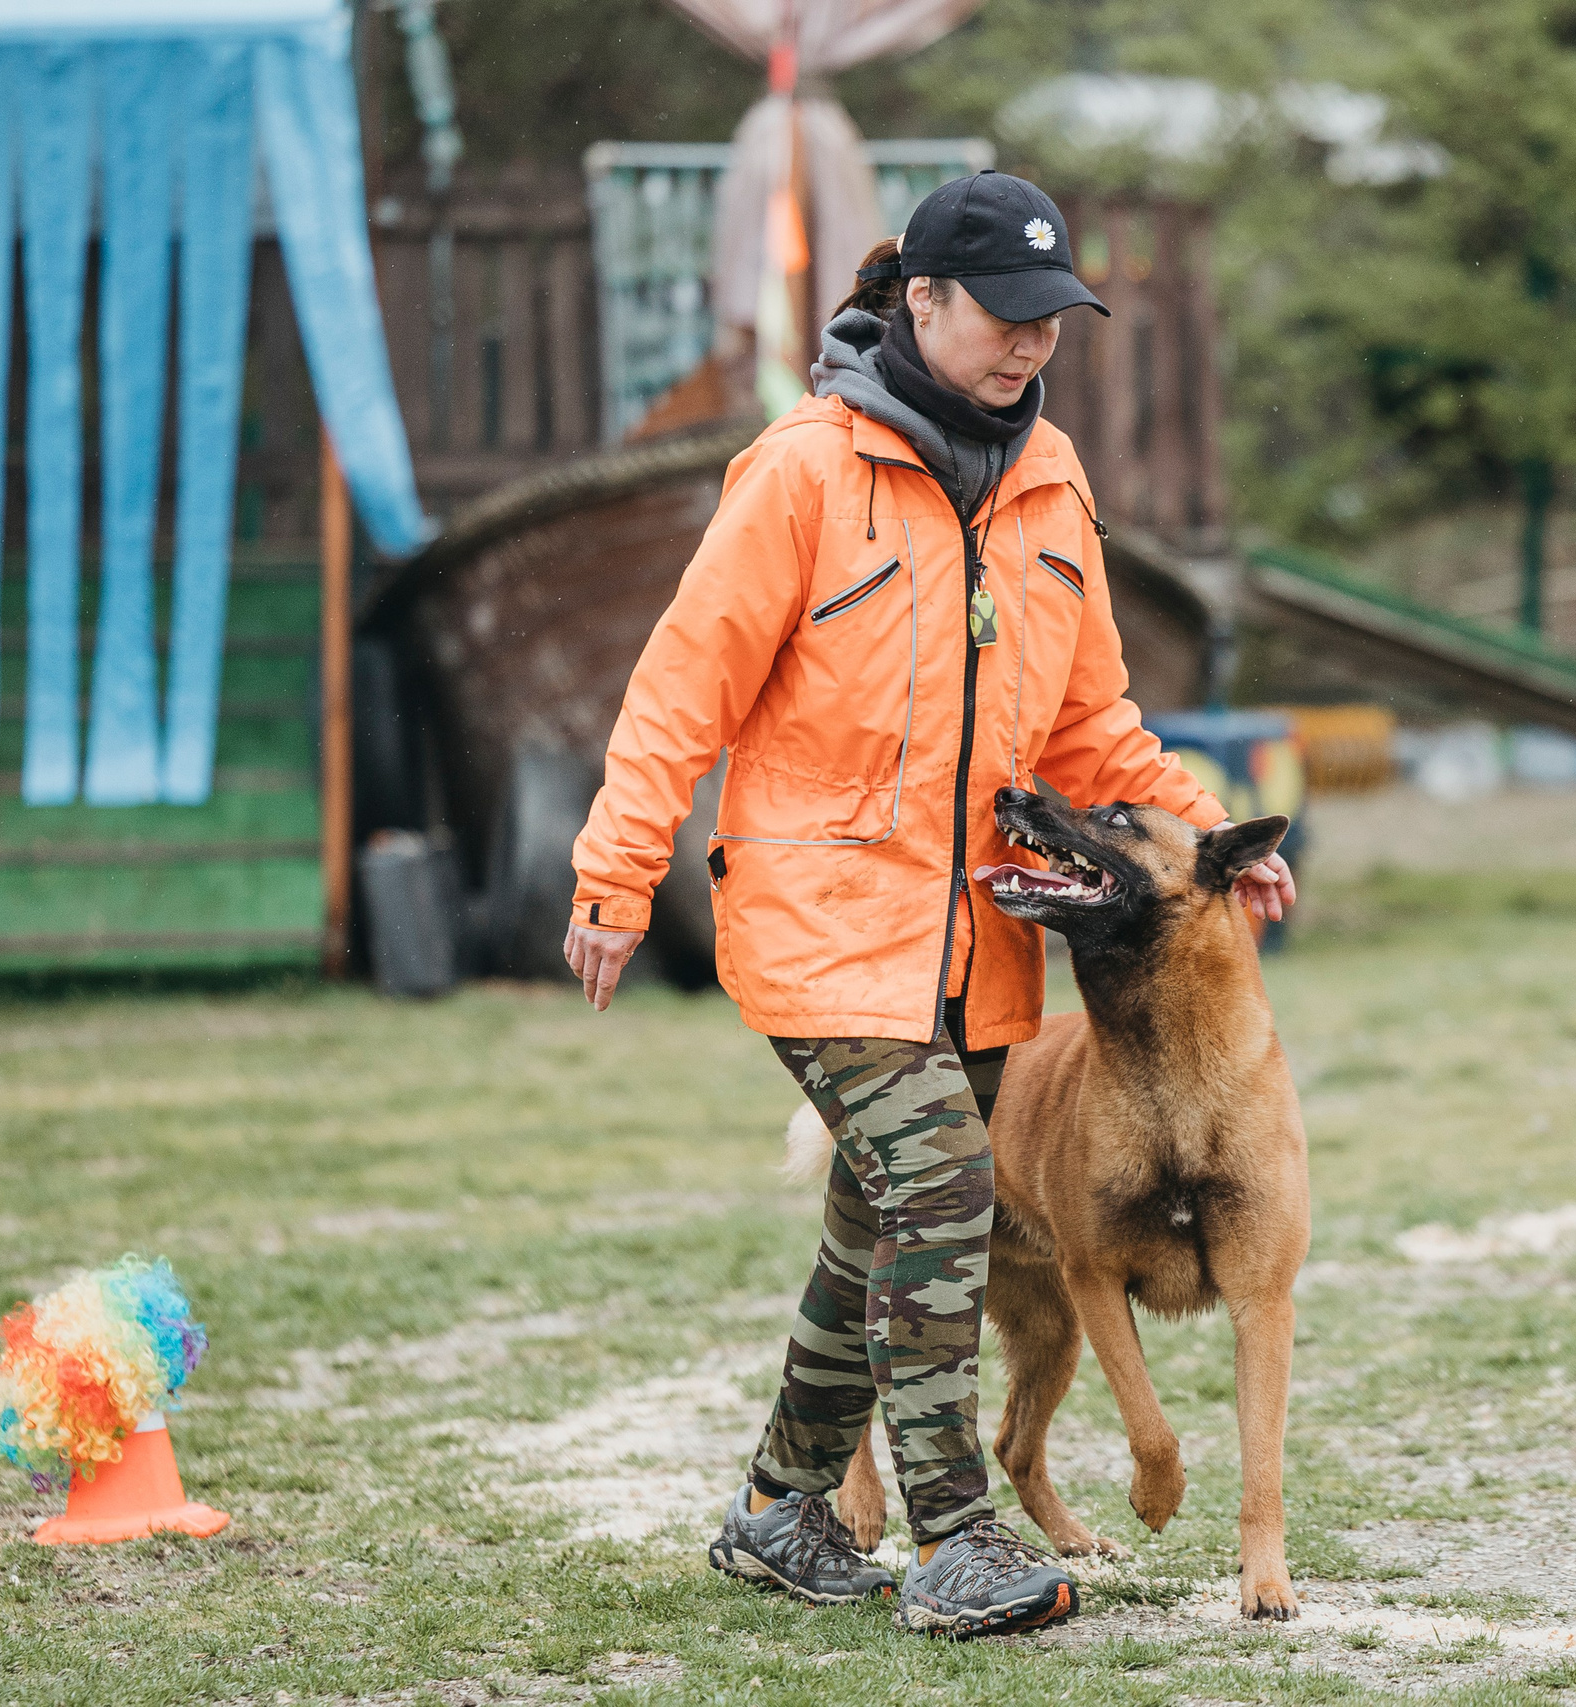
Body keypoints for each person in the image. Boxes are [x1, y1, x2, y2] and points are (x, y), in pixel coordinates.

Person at [562, 170, 1295, 1638]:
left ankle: (780, 1513)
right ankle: (956, 1533)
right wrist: (616, 872)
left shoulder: (1051, 482)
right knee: (952, 1188)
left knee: (869, 1219)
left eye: (1054, 320)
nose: (1032, 344)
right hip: (820, 928)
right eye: (1006, 316)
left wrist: (1214, 837)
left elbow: (1096, 733)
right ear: (925, 304)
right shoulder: (801, 473)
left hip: (976, 945)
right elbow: (681, 684)